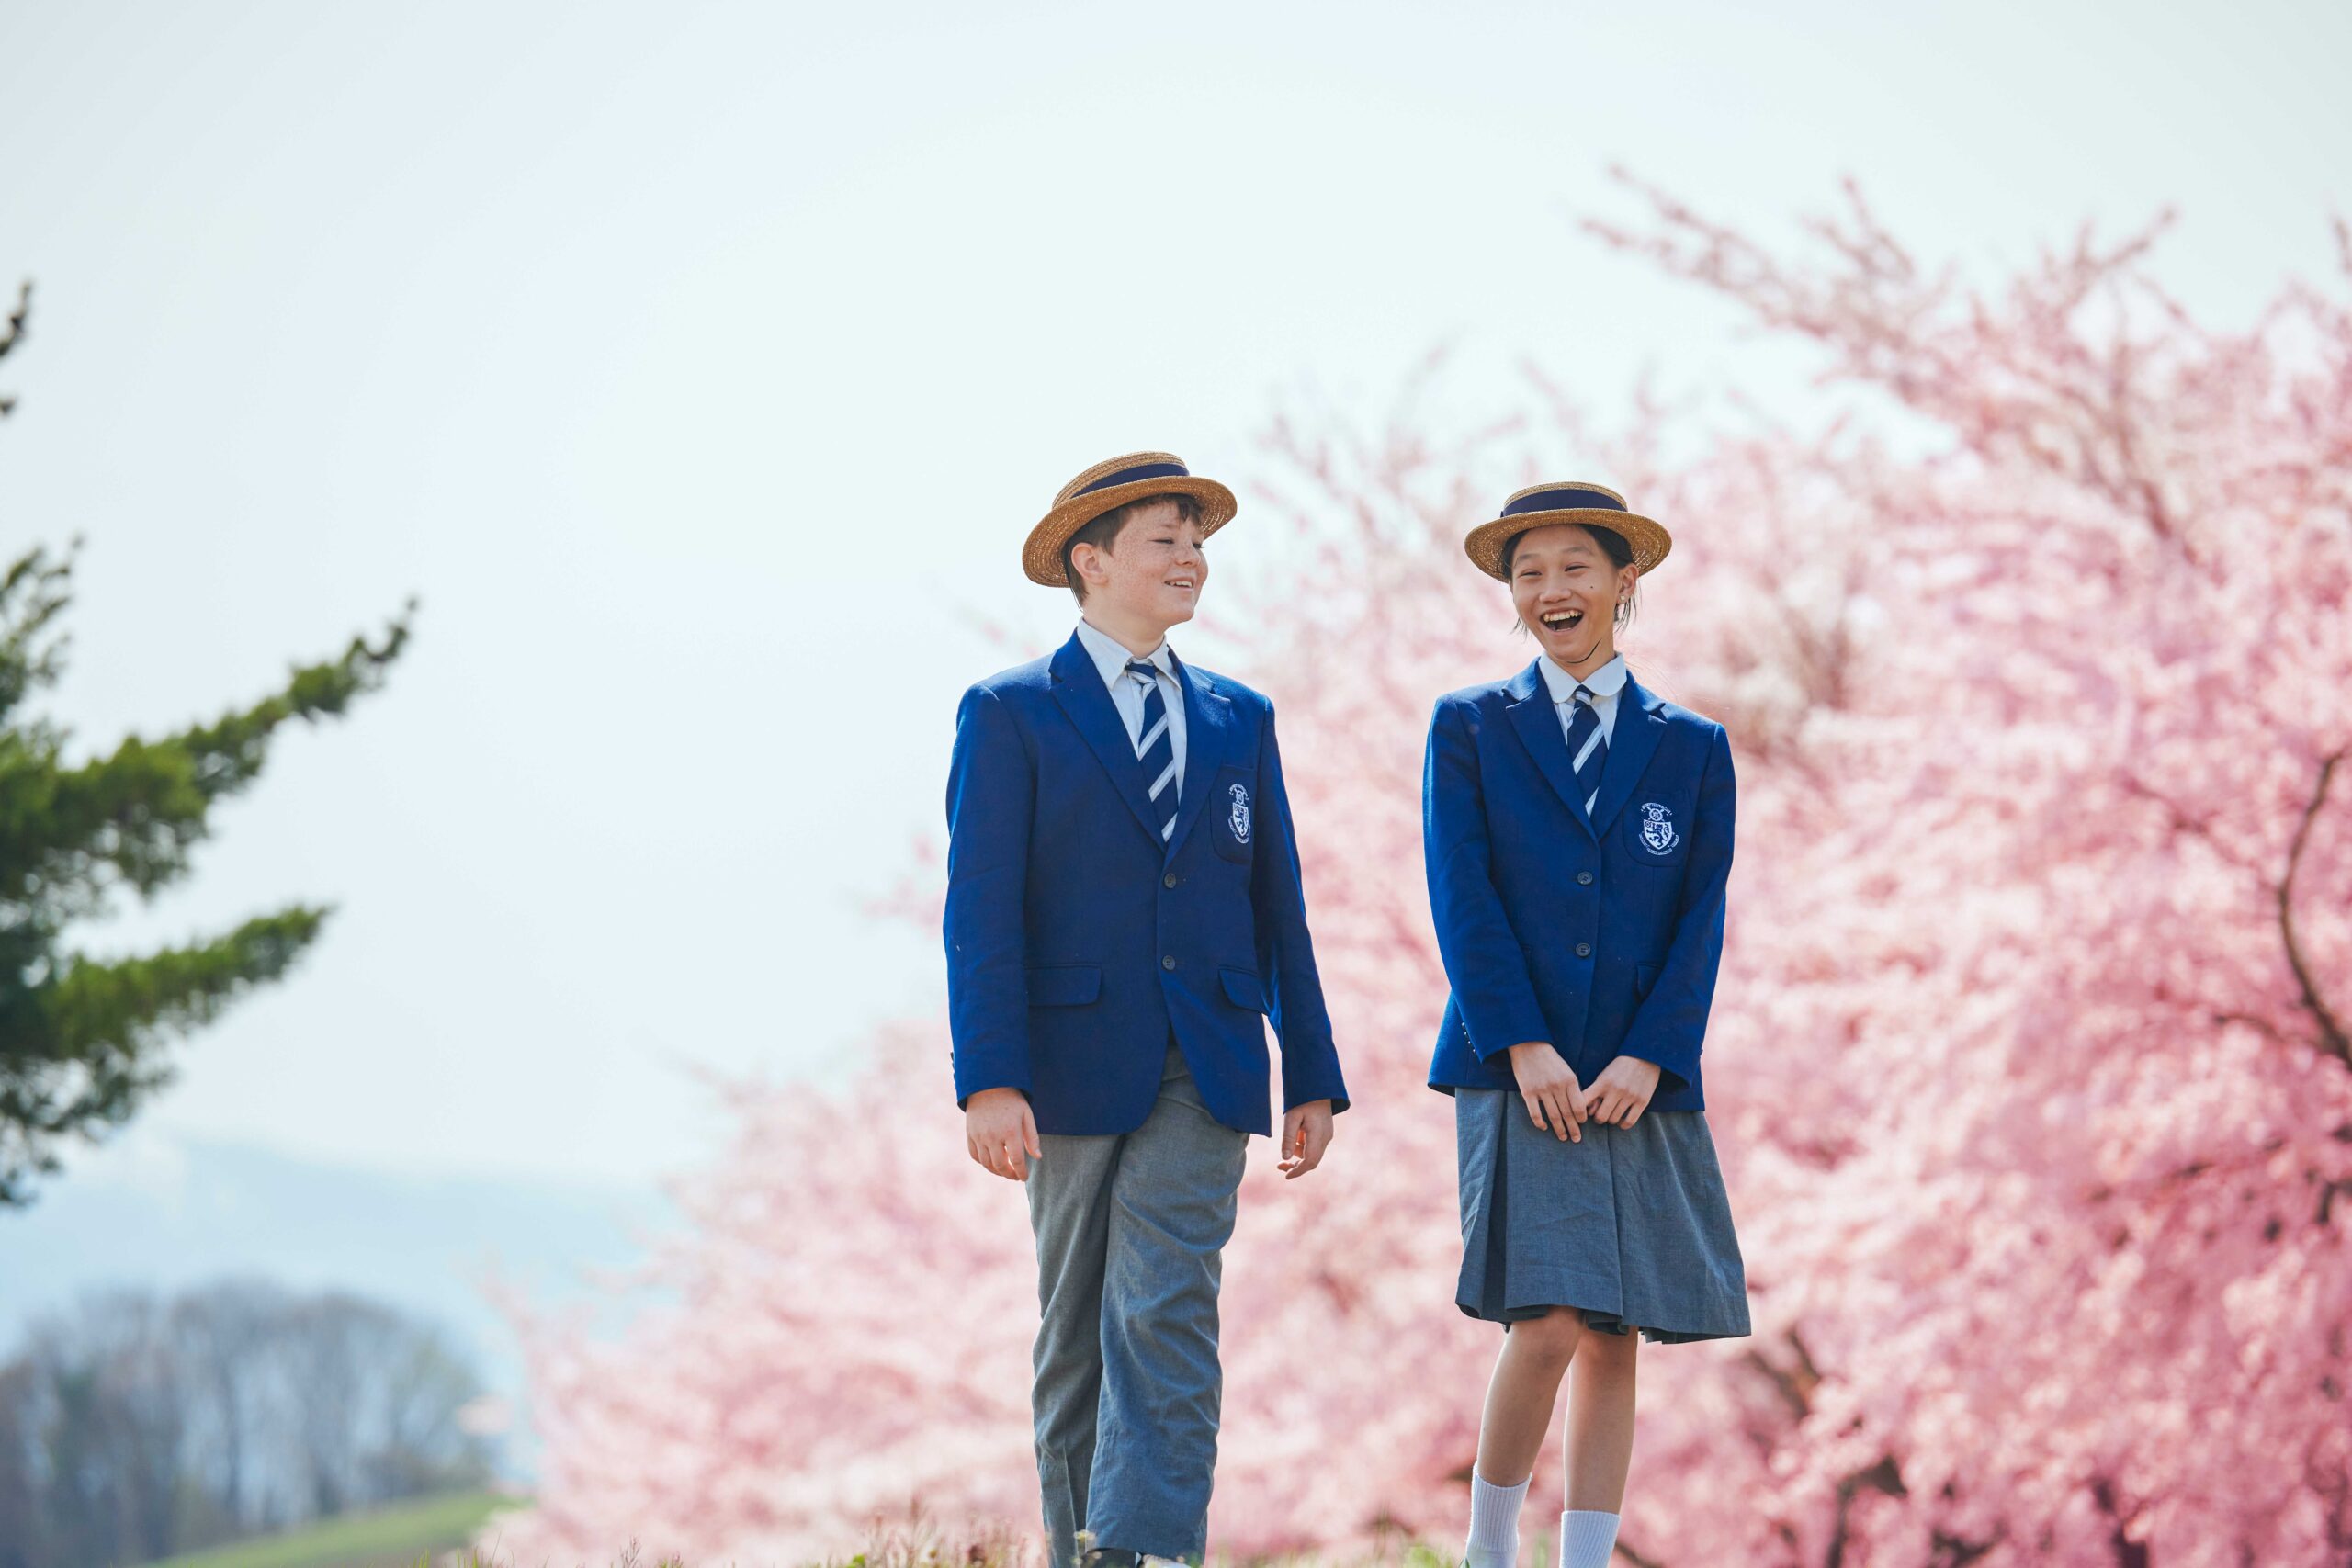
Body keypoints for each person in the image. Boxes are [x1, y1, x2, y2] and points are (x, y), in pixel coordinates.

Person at [944, 451, 1349, 1568]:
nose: (1192, 559)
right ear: (1091, 561)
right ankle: (1082, 1553)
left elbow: (1277, 904)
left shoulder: (1238, 717)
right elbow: (980, 909)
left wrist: (1310, 1070)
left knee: (1166, 1307)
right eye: (1166, 540)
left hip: (1209, 1059)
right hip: (1063, 1065)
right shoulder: (1010, 712)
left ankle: (1159, 1553)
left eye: (1198, 542)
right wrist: (989, 1078)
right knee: (1077, 1329)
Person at [1422, 481, 1751, 1568]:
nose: (1550, 590)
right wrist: (1522, 1045)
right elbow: (1461, 897)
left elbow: (1700, 916)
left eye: (1573, 567)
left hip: (1639, 1076)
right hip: (1516, 1067)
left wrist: (1653, 1054)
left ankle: (1584, 1560)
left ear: (1623, 580)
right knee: (1551, 1317)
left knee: (1616, 1332)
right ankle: (1487, 1550)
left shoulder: (1693, 746)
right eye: (1528, 573)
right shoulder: (1470, 727)